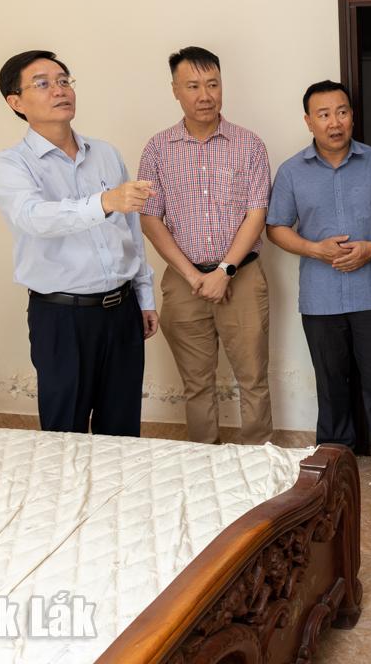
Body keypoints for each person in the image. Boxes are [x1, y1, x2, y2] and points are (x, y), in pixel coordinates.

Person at [0, 49, 159, 436]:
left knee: (122, 430)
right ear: (16, 102)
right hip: (62, 317)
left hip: (122, 310)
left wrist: (144, 297)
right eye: (43, 84)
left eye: (64, 81)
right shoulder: (10, 164)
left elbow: (131, 231)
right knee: (65, 431)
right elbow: (33, 217)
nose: (59, 90)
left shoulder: (105, 153)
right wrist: (104, 202)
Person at [266, 80, 371, 488]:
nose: (334, 122)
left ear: (352, 116)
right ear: (309, 121)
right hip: (320, 297)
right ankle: (335, 456)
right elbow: (275, 227)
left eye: (341, 112)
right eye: (324, 114)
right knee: (331, 381)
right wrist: (314, 249)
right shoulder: (291, 172)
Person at [137, 46, 273, 444]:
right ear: (175, 90)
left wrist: (224, 271)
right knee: (196, 383)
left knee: (253, 378)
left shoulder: (249, 144)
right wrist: (194, 275)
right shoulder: (158, 149)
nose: (205, 95)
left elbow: (256, 213)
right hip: (185, 281)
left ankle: (258, 459)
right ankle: (204, 459)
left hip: (242, 276)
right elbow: (150, 218)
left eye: (212, 84)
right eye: (193, 86)